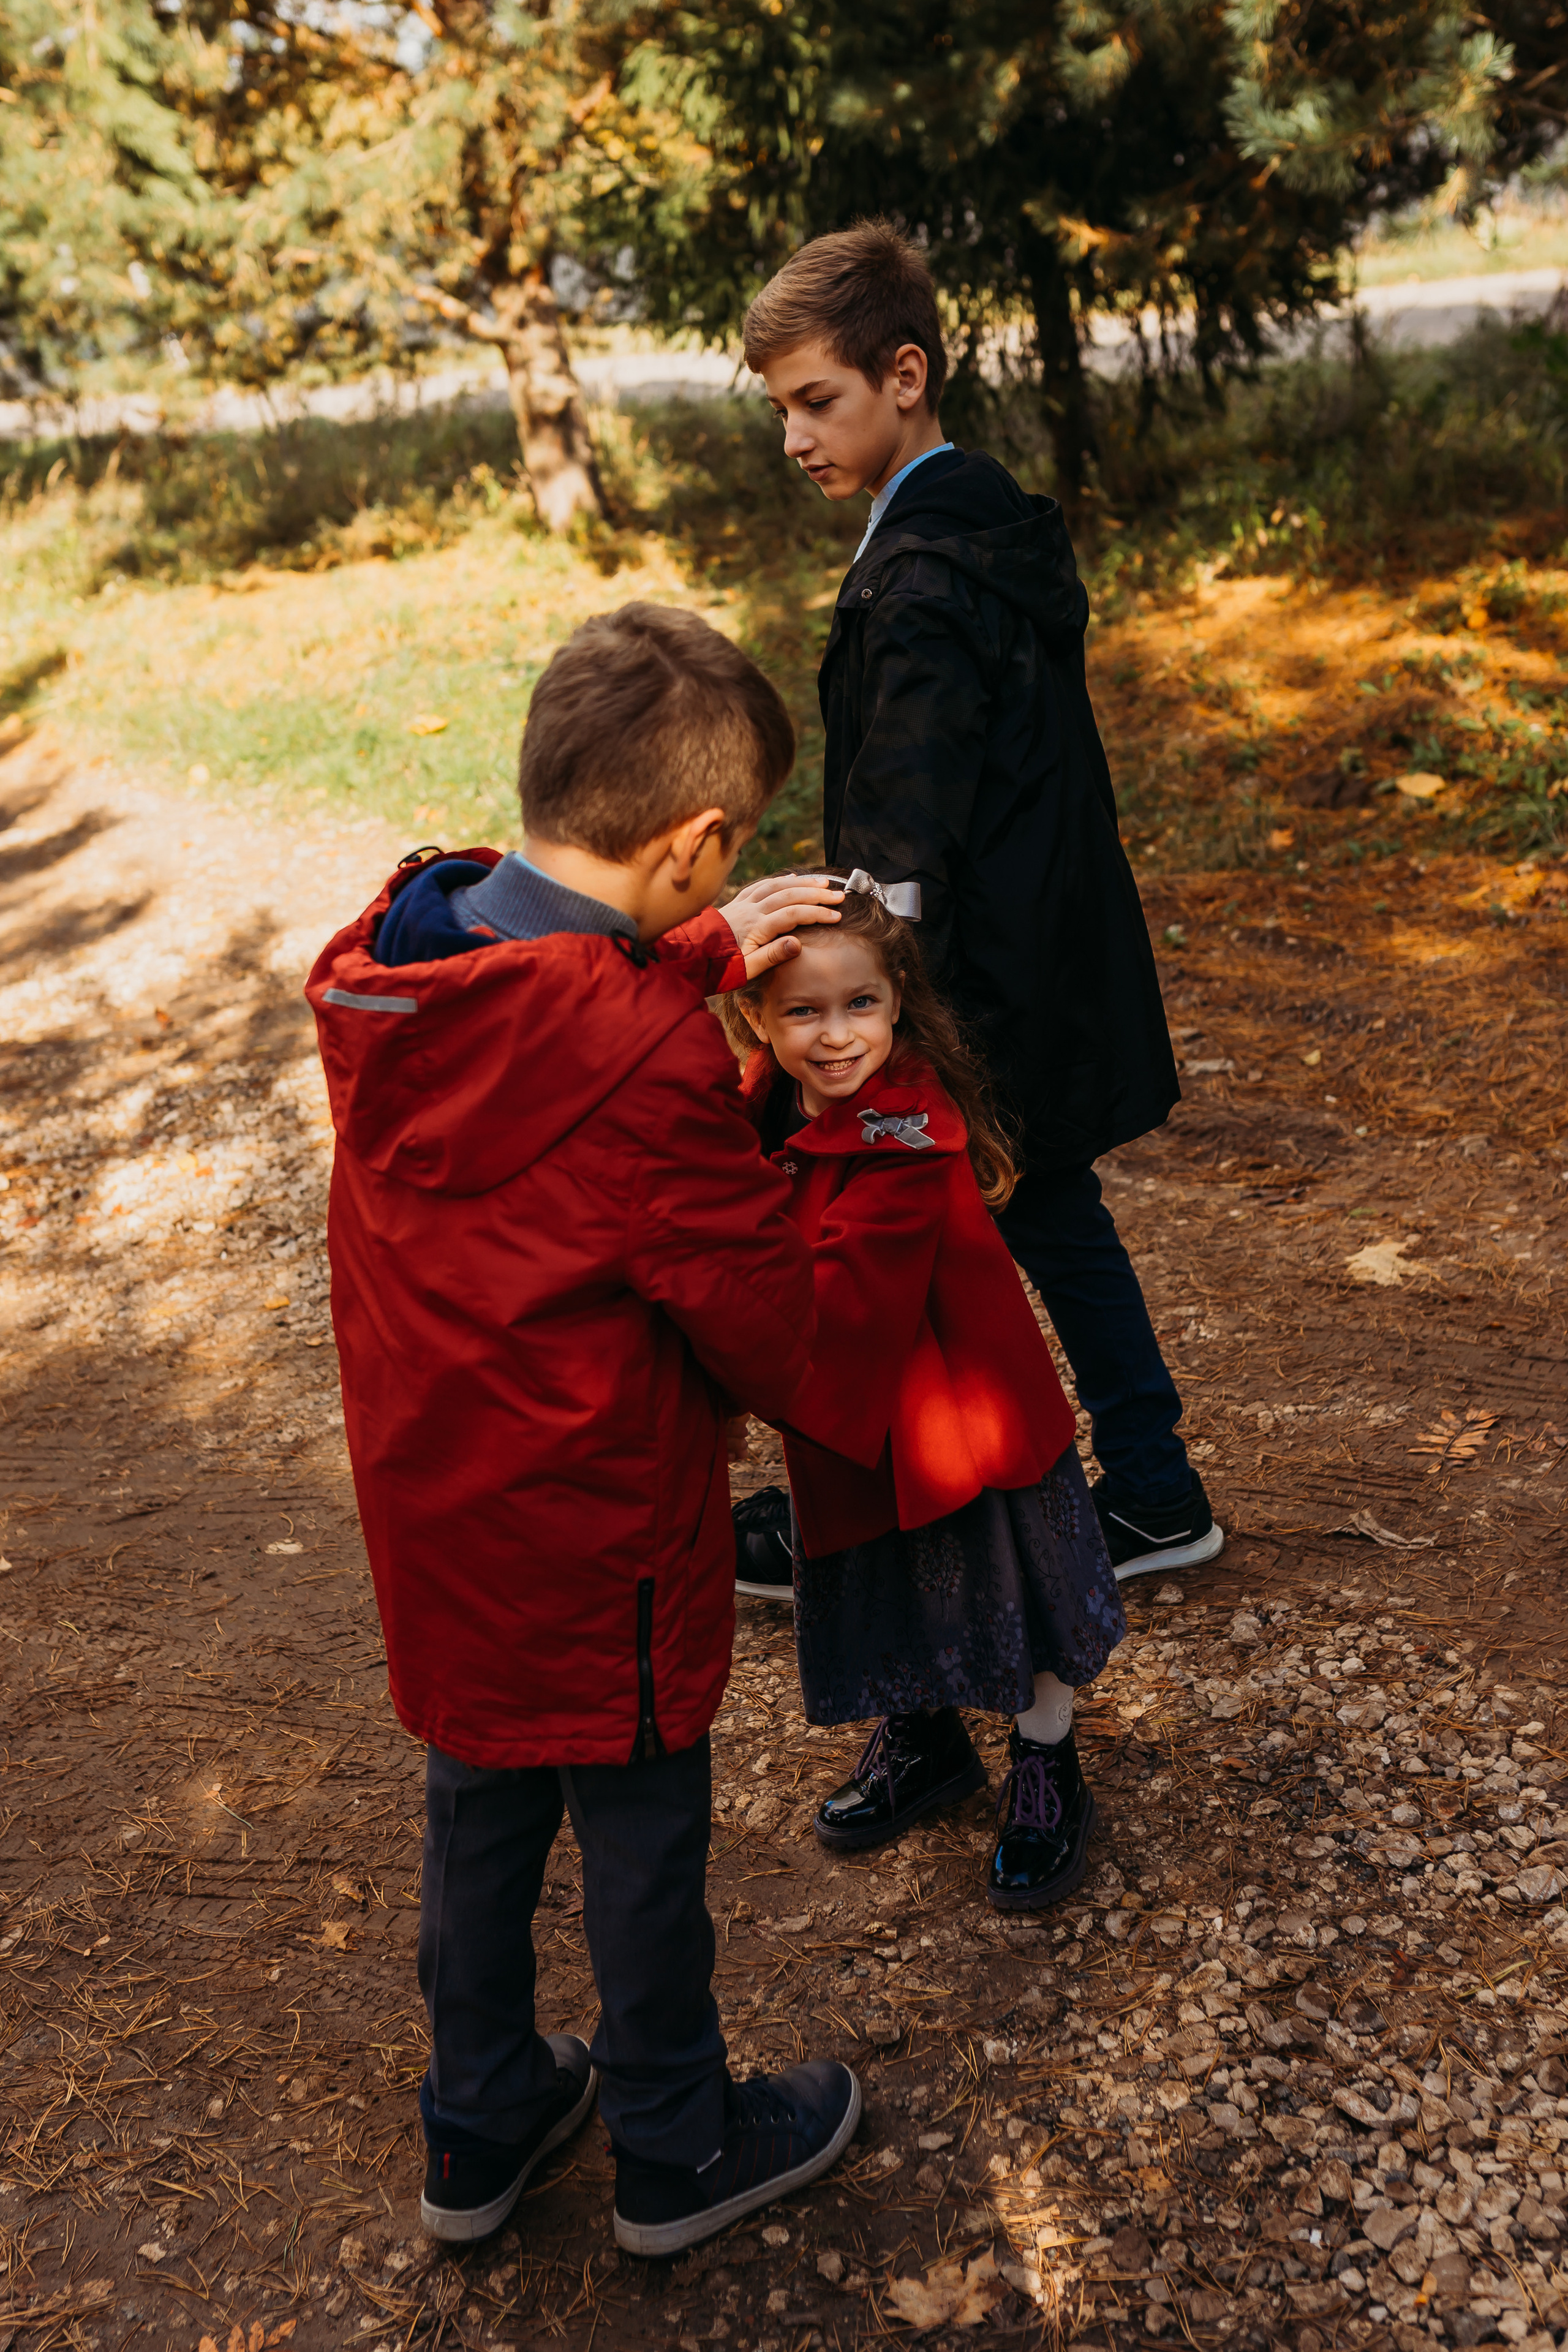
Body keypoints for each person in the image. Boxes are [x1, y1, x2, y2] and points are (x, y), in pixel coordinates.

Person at [306, 603, 860, 2258]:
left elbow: (552, 1026)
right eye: (728, 856)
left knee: (478, 1805)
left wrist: (692, 957)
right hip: (599, 1526)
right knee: (638, 1830)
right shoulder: (650, 1071)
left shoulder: (404, 965)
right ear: (694, 843)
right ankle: (677, 2145)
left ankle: (476, 2123)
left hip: (440, 1503)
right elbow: (766, 1326)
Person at [736, 219, 1223, 1588]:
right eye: (779, 411)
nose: (795, 438)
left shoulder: (922, 579)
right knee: (1048, 1216)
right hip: (1033, 954)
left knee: (888, 1229)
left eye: (816, 401)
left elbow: (906, 831)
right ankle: (1151, 1489)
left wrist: (858, 993)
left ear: (905, 375)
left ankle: (866, 1512)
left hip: (971, 985)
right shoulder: (979, 524)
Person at [722, 873, 1127, 1907]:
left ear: (898, 1001)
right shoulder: (762, 1102)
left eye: (860, 1004)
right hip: (858, 1422)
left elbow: (841, 1299)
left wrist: (721, 1329)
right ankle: (927, 1738)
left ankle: (1046, 1759)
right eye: (803, 1012)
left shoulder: (907, 1130)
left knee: (1009, 1582)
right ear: (755, 1017)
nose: (836, 1036)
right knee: (886, 1579)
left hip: (960, 1423)